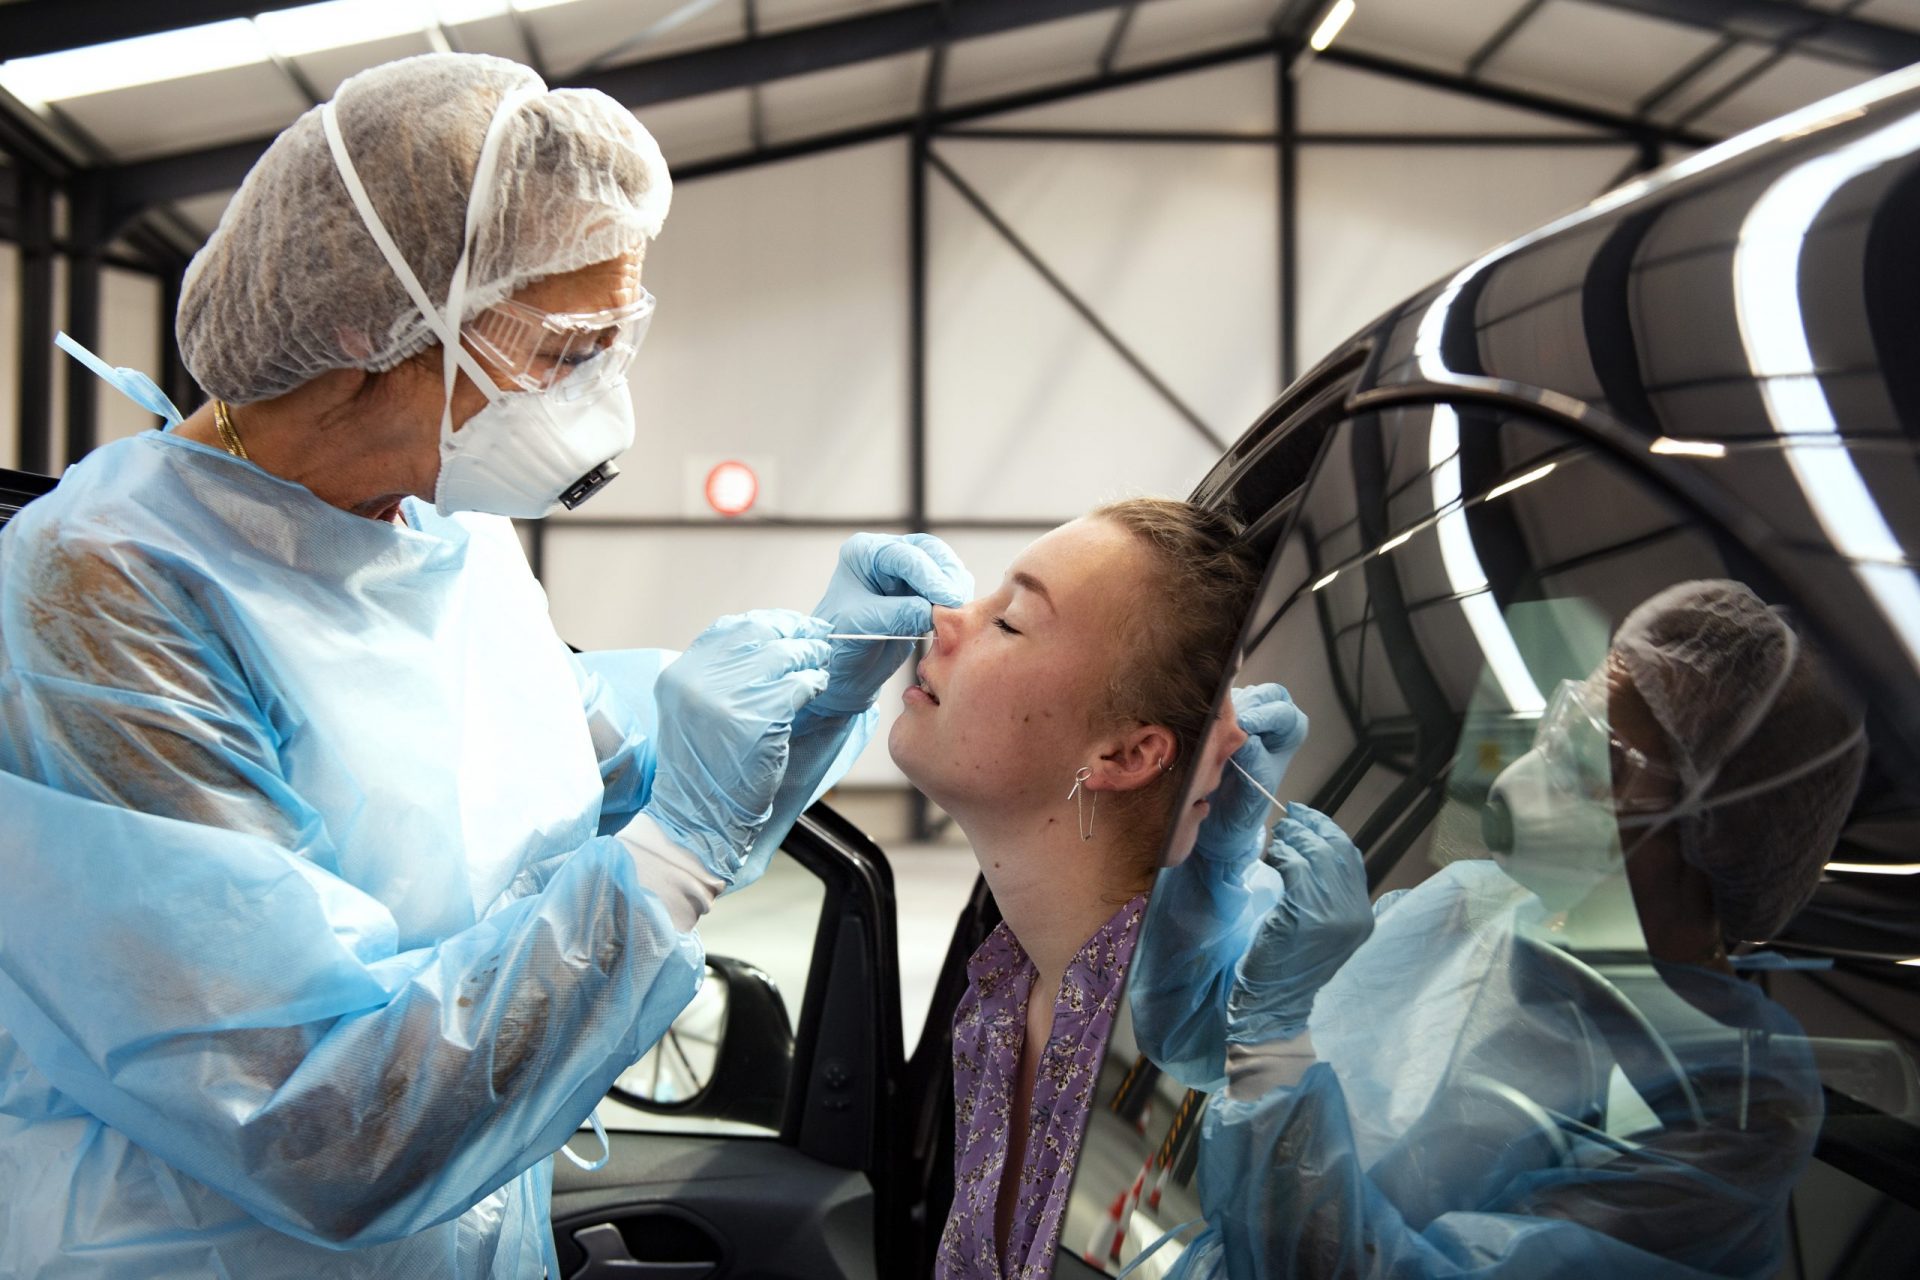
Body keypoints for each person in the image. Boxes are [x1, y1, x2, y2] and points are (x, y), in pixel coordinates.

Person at [0, 54, 969, 1278]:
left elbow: (596, 794)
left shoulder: (445, 532)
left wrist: (812, 696)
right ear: (371, 336)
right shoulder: (105, 598)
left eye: (619, 340)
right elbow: (311, 1118)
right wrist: (677, 848)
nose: (604, 395)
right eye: (566, 350)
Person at [1129, 580, 1870, 1279]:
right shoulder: (1471, 904)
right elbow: (1201, 1033)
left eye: (1605, 759)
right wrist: (1219, 855)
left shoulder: (1732, 1102)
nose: (1548, 761)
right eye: (1570, 719)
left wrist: (1273, 1035)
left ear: (1717, 833)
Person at [887, 498, 1262, 1280]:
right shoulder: (999, 993)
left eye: (1011, 620)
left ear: (1126, 755)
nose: (947, 619)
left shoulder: (1177, 1043)